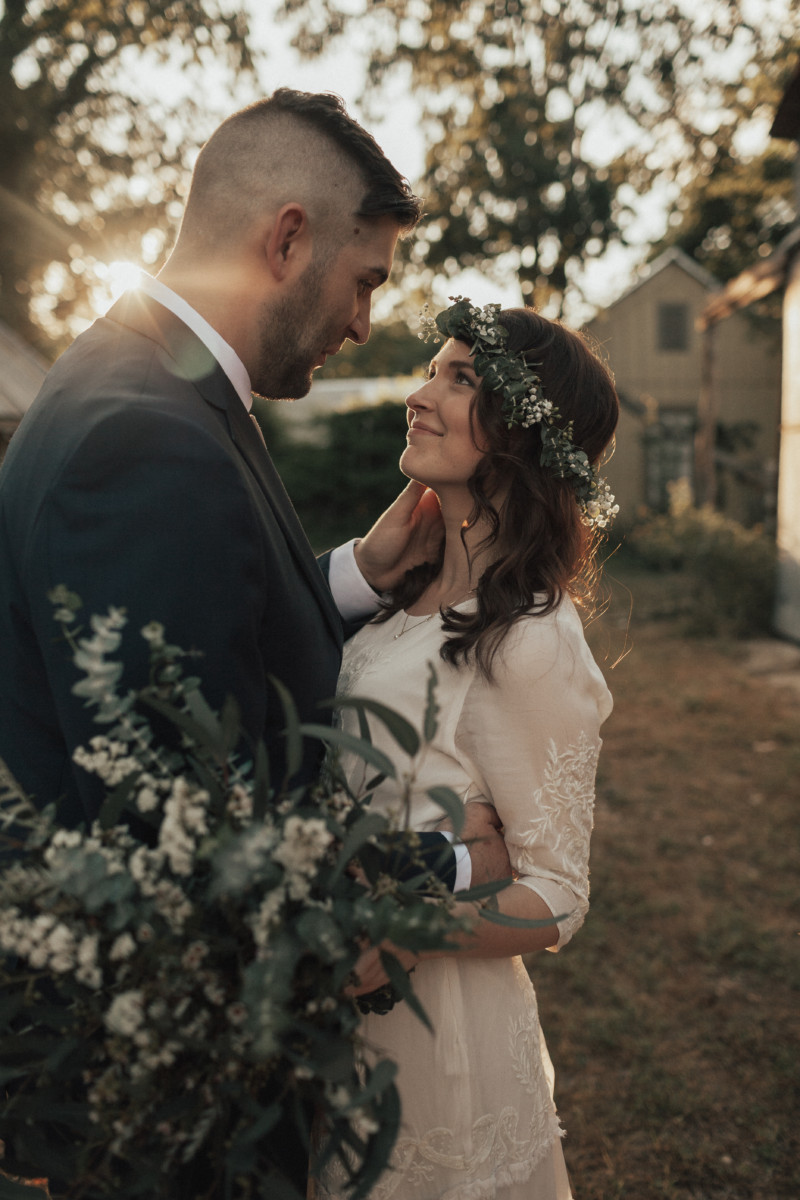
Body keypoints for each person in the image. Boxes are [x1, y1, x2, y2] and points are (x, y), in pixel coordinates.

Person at [0, 94, 510, 1195]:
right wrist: (445, 863)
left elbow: (200, 652)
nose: (367, 322)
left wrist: (350, 577)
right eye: (366, 277)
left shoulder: (133, 381)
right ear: (286, 239)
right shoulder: (147, 437)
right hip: (176, 1092)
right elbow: (190, 828)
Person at [318, 298, 620, 1200]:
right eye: (433, 369)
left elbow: (559, 896)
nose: (420, 393)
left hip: (436, 1041)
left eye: (459, 380)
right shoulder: (403, 584)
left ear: (524, 438)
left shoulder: (530, 640)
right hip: (334, 1018)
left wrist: (409, 922)